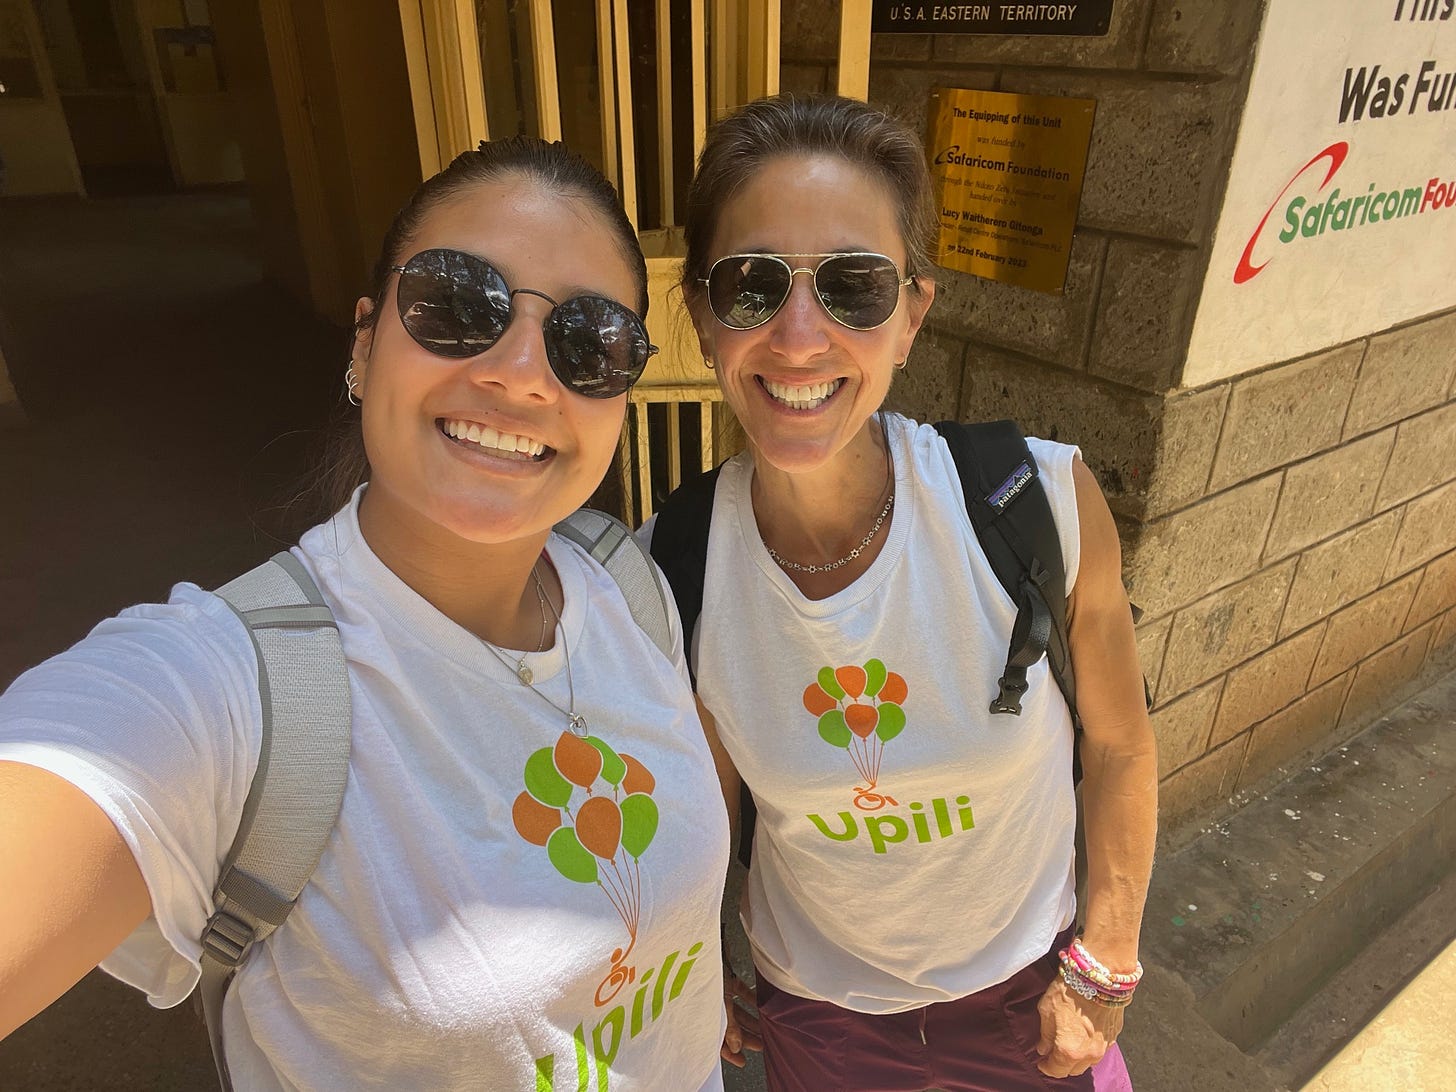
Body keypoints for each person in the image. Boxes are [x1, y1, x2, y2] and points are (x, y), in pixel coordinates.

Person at [0, 137, 729, 1090]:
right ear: (364, 339)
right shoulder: (227, 692)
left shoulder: (626, 588)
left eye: (591, 342)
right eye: (458, 303)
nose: (519, 372)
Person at [644, 94, 1158, 1091]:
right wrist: (696, 964)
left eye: (854, 286)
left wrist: (1108, 959)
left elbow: (1120, 742)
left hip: (1035, 1000)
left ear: (911, 315)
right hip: (823, 1027)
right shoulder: (677, 561)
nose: (799, 336)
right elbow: (705, 814)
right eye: (751, 285)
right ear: (702, 318)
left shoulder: (1037, 501)